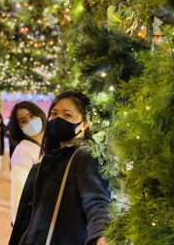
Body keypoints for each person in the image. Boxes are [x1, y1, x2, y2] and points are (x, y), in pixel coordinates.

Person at [9, 91, 111, 245]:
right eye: (54, 114)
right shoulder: (44, 163)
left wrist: (102, 234)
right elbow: (27, 218)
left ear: (84, 123)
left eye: (67, 115)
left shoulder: (85, 156)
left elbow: (97, 201)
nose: (58, 119)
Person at [9, 101, 46, 224]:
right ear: (19, 128)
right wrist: (18, 224)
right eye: (23, 121)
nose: (30, 122)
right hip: (33, 220)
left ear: (39, 114)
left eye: (32, 116)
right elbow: (19, 194)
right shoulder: (23, 151)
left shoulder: (48, 144)